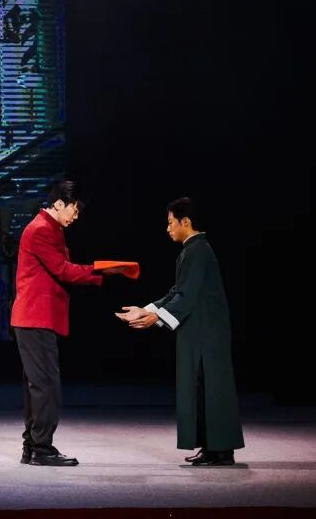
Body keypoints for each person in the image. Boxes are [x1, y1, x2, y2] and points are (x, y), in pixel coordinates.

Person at [116, 197, 244, 466]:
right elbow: (177, 292)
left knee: (210, 388)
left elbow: (186, 296)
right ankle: (212, 448)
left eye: (170, 222)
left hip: (206, 332)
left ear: (186, 222)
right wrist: (145, 310)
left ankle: (221, 450)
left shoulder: (198, 250)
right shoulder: (193, 249)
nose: (168, 228)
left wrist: (154, 318)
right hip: (200, 330)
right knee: (201, 387)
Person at [11, 180, 131, 466]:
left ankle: (33, 447)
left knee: (38, 386)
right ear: (59, 204)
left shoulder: (50, 228)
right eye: (74, 210)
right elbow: (63, 270)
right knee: (46, 386)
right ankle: (41, 448)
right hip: (36, 317)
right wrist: (102, 271)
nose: (76, 216)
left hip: (36, 318)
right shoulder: (41, 229)